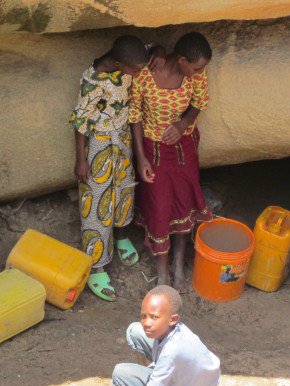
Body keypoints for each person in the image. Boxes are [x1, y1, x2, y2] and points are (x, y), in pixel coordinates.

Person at [70, 36, 165, 301]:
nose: (140, 73)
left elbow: (152, 48)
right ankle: (96, 265)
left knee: (124, 191)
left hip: (123, 138)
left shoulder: (130, 57)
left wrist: (159, 49)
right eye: (136, 70)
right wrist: (80, 160)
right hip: (98, 144)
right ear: (119, 64)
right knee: (95, 201)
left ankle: (121, 235)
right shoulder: (92, 80)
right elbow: (80, 122)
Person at [130, 32, 213, 291]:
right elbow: (135, 116)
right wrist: (141, 158)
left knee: (183, 203)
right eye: (196, 67)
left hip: (183, 147)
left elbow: (199, 102)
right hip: (153, 149)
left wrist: (183, 123)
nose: (200, 72)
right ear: (182, 60)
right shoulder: (146, 75)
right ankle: (163, 272)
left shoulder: (195, 76)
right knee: (160, 207)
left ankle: (178, 261)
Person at [112, 285, 220, 386]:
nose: (146, 323)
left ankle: (155, 374)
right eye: (144, 316)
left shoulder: (170, 352)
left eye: (154, 317)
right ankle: (154, 371)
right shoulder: (177, 330)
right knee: (135, 330)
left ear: (173, 319)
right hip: (202, 378)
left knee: (121, 373)